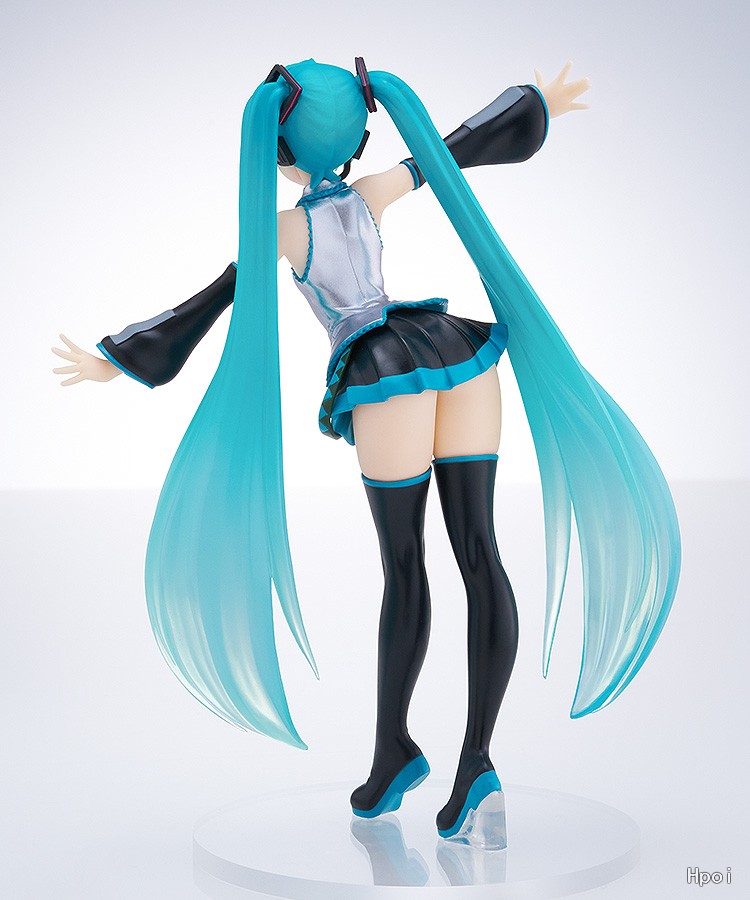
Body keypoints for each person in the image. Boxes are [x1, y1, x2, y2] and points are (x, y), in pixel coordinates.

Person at [52, 59, 680, 846]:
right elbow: (452, 149)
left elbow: (211, 300)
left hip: (386, 375)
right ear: (355, 138)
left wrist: (117, 358)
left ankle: (393, 751)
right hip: (459, 352)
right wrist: (534, 107)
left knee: (406, 565)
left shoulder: (285, 230)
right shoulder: (374, 190)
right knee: (480, 553)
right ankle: (477, 763)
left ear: (281, 151)